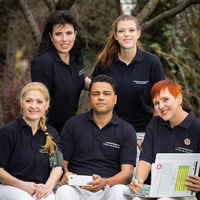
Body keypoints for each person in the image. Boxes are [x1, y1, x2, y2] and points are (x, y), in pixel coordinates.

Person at [56, 75, 137, 200]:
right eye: (96, 93)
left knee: (121, 191)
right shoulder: (73, 124)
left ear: (115, 99)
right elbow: (62, 163)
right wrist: (66, 174)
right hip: (77, 188)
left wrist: (105, 182)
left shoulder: (126, 130)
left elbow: (127, 173)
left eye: (106, 93)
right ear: (90, 98)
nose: (101, 97)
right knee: (63, 191)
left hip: (109, 188)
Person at [92, 14, 165, 140]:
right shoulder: (104, 63)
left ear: (138, 34)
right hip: (109, 131)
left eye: (131, 30)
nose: (126, 34)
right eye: (121, 31)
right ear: (115, 35)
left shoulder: (152, 62)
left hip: (142, 133)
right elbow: (96, 97)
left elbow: (163, 100)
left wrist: (152, 131)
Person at [129, 80, 200, 200]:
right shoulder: (154, 124)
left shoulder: (197, 128)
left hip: (186, 193)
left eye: (165, 99)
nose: (161, 106)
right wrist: (138, 181)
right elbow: (145, 160)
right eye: (156, 103)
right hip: (154, 189)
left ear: (179, 99)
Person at [0, 82, 64, 200]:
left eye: (39, 102)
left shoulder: (52, 133)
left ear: (47, 104)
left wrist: (47, 187)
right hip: (9, 186)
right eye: (29, 101)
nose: (33, 106)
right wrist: (22, 185)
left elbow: (58, 166)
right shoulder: (9, 131)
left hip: (39, 187)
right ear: (21, 103)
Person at [31, 10, 91, 133]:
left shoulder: (76, 54)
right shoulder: (44, 63)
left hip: (68, 127)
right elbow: (37, 103)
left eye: (69, 33)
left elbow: (79, 78)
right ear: (51, 36)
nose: (65, 39)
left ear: (75, 34)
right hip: (47, 130)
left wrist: (103, 89)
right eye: (59, 34)